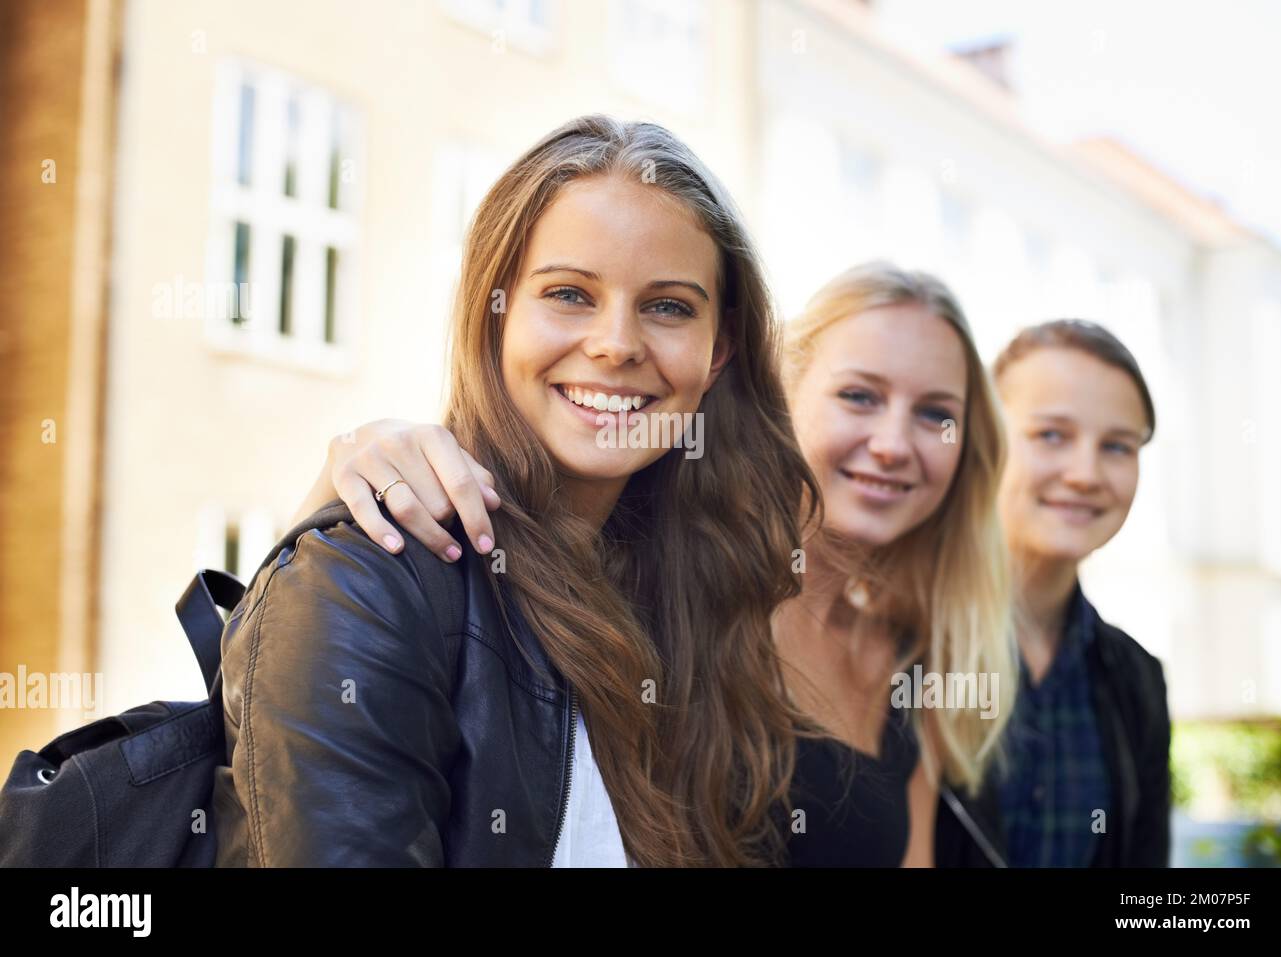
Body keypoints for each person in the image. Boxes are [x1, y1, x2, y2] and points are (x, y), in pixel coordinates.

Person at [213, 114, 819, 867]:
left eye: (667, 306)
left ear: (719, 347)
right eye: (569, 294)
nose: (617, 343)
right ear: (495, 312)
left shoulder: (697, 604)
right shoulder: (370, 579)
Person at [301, 262, 1019, 866]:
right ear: (783, 394)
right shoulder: (663, 579)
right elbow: (307, 669)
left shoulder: (915, 657)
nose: (895, 442)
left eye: (935, 414)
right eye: (859, 395)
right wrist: (359, 456)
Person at [934, 319, 1172, 867]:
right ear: (983, 440)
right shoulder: (895, 642)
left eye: (1117, 446)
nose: (1086, 474)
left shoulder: (1137, 679)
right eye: (1051, 435)